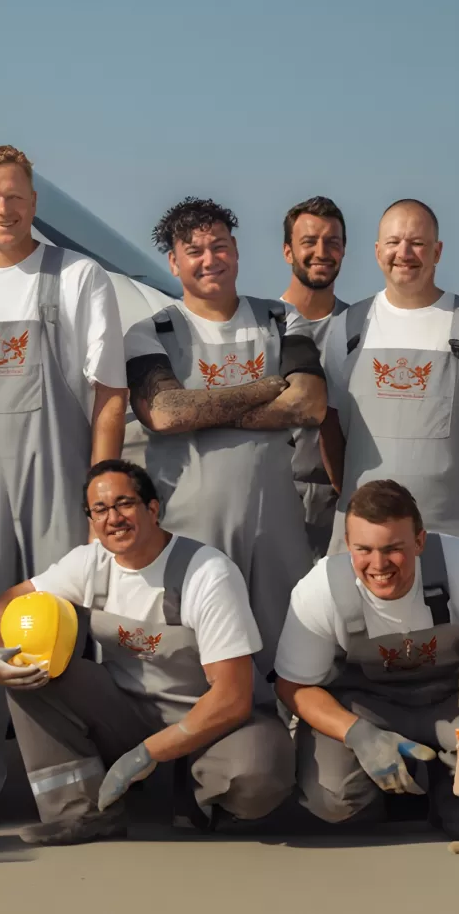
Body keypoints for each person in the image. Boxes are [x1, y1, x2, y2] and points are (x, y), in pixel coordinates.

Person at [0, 144, 126, 830]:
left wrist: (97, 494)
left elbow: (108, 397)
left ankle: (77, 782)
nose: (1, 209)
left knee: (60, 624)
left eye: (13, 196)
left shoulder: (78, 276)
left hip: (55, 476)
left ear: (34, 201)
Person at [0, 459, 288, 846]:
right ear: (91, 519)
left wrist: (149, 753)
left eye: (125, 504)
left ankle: (199, 801)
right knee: (28, 672)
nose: (114, 518)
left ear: (153, 509)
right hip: (130, 712)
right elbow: (11, 599)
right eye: (101, 510)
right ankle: (82, 812)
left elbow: (233, 697)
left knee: (256, 776)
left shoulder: (206, 572)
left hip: (213, 720)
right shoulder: (88, 565)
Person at [275, 480, 459, 838]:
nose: (378, 565)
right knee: (334, 798)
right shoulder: (321, 590)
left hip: (453, 705)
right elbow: (292, 685)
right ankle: (387, 795)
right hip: (367, 709)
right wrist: (358, 734)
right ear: (348, 545)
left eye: (394, 549)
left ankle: (452, 791)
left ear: (420, 541)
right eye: (364, 550)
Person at [125, 197, 326, 670]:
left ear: (236, 250)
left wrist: (203, 408)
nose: (209, 259)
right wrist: (265, 386)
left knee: (293, 660)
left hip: (277, 524)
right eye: (193, 251)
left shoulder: (281, 318)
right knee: (197, 659)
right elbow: (165, 412)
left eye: (219, 246)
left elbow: (309, 403)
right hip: (190, 527)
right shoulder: (149, 331)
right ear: (173, 262)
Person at [317, 200, 459, 553]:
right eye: (393, 243)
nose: (404, 253)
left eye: (418, 243)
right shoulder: (346, 327)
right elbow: (329, 426)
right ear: (378, 251)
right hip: (367, 536)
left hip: (455, 532)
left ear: (437, 251)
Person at [280, 197, 348, 556]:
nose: (321, 252)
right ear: (288, 251)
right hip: (276, 495)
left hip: (343, 501)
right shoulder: (264, 325)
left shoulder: (365, 327)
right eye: (309, 242)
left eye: (332, 243)